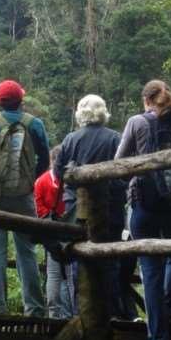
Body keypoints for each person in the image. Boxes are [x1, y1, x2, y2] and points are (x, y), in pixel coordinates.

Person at [116, 81, 171, 340]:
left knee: (150, 270)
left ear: (146, 100)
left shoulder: (137, 123)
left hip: (144, 204)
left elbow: (120, 163)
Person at [0, 79, 48, 317]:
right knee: (25, 251)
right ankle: (35, 309)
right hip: (24, 197)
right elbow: (45, 162)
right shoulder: (34, 124)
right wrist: (29, 184)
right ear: (21, 100)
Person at [54, 95, 129, 319]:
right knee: (111, 258)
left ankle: (82, 314)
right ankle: (112, 313)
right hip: (111, 208)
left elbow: (59, 173)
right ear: (103, 112)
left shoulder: (70, 139)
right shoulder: (115, 138)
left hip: (77, 210)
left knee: (81, 258)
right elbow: (125, 171)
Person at [34, 146, 72, 319]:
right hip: (70, 232)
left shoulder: (40, 181)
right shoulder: (71, 180)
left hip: (51, 233)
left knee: (54, 274)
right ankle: (70, 313)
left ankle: (53, 314)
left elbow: (39, 208)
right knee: (70, 274)